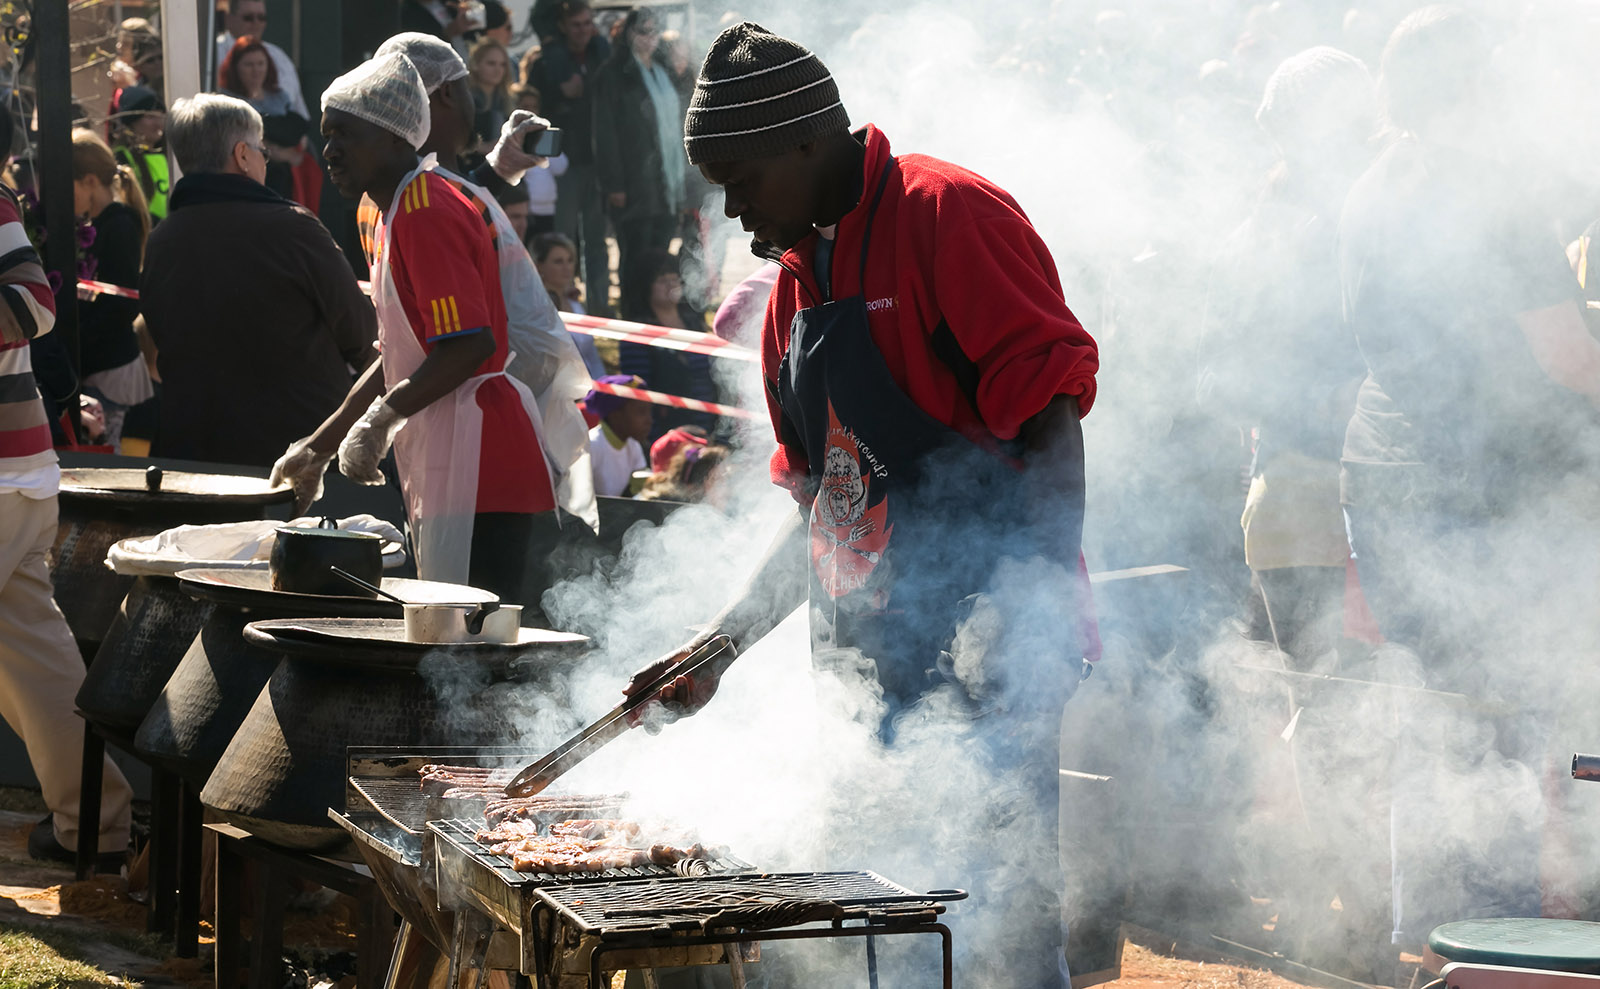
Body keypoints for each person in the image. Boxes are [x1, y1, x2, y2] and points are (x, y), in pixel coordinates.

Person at [622, 24, 1100, 987]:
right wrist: (718, 647)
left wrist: (1031, 602)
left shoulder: (946, 212)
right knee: (874, 928)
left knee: (990, 923)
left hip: (986, 640)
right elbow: (822, 508)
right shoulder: (791, 297)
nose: (733, 207)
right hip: (860, 661)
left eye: (741, 177)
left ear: (806, 142)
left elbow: (1051, 424)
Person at [1337, 5, 1600, 950]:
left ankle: (1432, 938)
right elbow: (1569, 356)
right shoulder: (1492, 191)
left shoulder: (1370, 184)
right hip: (1477, 493)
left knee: (1432, 716)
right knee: (1495, 725)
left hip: (1383, 478)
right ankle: (1496, 950)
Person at [278, 51, 573, 612]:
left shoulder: (425, 207)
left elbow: (469, 344)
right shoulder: (382, 210)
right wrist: (323, 442)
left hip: (484, 457)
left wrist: (381, 420)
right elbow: (399, 351)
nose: (330, 150)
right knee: (449, 640)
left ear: (394, 138)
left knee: (471, 646)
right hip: (445, 446)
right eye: (327, 134)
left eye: (346, 134)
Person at [348, 32, 595, 530]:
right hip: (471, 439)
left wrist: (498, 169)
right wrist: (365, 425)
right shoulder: (418, 207)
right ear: (441, 95)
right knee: (480, 601)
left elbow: (407, 343)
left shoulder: (394, 204)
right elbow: (448, 342)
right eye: (465, 88)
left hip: (458, 438)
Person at [0, 176, 134, 874]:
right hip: (16, 474)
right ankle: (96, 825)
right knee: (33, 658)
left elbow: (31, 304)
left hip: (6, 474)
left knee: (34, 654)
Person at [140, 94, 377, 467]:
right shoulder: (294, 229)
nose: (264, 160)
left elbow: (155, 338)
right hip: (298, 456)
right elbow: (361, 335)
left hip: (195, 456)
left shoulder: (161, 241)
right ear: (242, 155)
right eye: (262, 151)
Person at [591, 7, 686, 302]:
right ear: (629, 33)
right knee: (635, 251)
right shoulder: (612, 74)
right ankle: (635, 311)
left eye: (654, 31)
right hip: (632, 182)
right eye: (642, 30)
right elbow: (604, 134)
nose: (649, 38)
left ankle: (657, 311)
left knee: (660, 250)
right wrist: (614, 184)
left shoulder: (663, 70)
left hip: (667, 183)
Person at [72, 129, 154, 452]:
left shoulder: (119, 227)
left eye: (69, 185)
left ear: (90, 181)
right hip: (99, 369)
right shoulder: (98, 226)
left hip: (113, 374)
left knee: (110, 462)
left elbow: (121, 307)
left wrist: (77, 336)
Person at [529, 0, 611, 314]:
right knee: (561, 239)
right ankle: (560, 304)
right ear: (563, 26)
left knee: (596, 241)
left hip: (596, 160)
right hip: (561, 163)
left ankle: (600, 308)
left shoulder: (601, 54)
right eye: (576, 25)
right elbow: (536, 109)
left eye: (588, 24)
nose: (583, 31)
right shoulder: (547, 60)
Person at [616, 250, 716, 441]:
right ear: (646, 286)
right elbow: (640, 391)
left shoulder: (695, 323)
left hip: (708, 424)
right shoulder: (638, 333)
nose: (671, 285)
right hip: (665, 431)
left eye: (675, 279)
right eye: (662, 280)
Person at [219, 36, 317, 207]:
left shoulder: (279, 97)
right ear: (235, 68)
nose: (256, 70)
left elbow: (297, 132)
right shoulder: (227, 100)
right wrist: (279, 151)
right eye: (248, 65)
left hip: (288, 182)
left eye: (260, 64)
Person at [215, 0, 308, 119]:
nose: (256, 23)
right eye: (248, 18)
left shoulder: (278, 57)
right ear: (228, 19)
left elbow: (298, 111)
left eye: (261, 17)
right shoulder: (215, 53)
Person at [532, 231, 603, 378]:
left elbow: (592, 355)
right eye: (558, 261)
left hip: (591, 385)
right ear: (539, 266)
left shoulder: (574, 302)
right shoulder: (536, 307)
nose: (567, 267)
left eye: (570, 260)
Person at [107, 85, 170, 224]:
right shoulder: (121, 158)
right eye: (150, 117)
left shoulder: (169, 155)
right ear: (132, 122)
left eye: (161, 115)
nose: (158, 123)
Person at [584, 375, 650, 497]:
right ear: (616, 414)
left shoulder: (633, 446)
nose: (649, 420)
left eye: (649, 412)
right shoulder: (591, 446)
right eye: (641, 412)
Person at [466, 38, 513, 152]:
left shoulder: (507, 101)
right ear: (476, 65)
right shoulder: (465, 98)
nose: (498, 70)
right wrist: (483, 148)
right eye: (491, 63)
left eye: (502, 64)